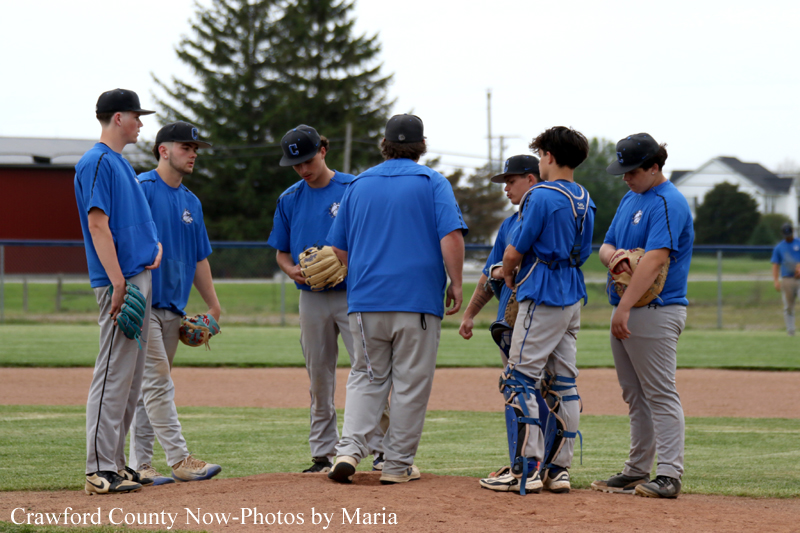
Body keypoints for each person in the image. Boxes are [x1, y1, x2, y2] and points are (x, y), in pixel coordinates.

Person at [326, 114, 467, 485]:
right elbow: (450, 236)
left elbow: (337, 249)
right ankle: (396, 464)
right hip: (417, 300)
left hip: (365, 301)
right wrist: (456, 282)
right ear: (421, 145)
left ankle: (348, 450)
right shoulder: (432, 182)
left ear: (384, 144)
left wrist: (363, 274)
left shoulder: (357, 184)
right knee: (409, 384)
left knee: (365, 378)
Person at [479, 126, 595, 495]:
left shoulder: (541, 195)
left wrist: (509, 272)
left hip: (542, 293)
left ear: (548, 156)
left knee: (518, 380)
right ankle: (558, 470)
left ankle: (525, 469)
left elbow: (514, 250)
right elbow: (583, 253)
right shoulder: (584, 197)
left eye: (542, 153)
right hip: (572, 293)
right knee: (564, 383)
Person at [267, 125, 386, 474]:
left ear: (322, 149)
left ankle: (381, 449)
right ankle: (322, 453)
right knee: (319, 376)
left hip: (354, 295)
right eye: (295, 164)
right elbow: (282, 253)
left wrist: (353, 266)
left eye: (307, 159)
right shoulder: (289, 198)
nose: (303, 168)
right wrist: (291, 271)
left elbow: (373, 239)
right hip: (311, 299)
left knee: (369, 369)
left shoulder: (354, 189)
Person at [593, 133, 694, 499]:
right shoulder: (630, 198)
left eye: (632, 170)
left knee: (659, 393)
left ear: (654, 167)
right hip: (628, 308)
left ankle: (668, 474)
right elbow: (605, 245)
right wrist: (615, 257)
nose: (626, 177)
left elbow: (654, 260)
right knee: (635, 395)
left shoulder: (669, 202)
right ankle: (637, 470)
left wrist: (623, 307)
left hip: (656, 309)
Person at [74, 89, 162, 495]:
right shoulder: (96, 162)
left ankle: (115, 462)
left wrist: (153, 249)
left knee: (128, 378)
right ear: (117, 118)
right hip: (119, 281)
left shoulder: (120, 164)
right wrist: (117, 280)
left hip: (136, 275)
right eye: (136, 116)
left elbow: (131, 223)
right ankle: (97, 468)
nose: (141, 123)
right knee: (112, 373)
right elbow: (97, 224)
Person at [128, 121, 223, 485]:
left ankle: (140, 465)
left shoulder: (191, 201)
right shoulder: (142, 189)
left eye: (196, 147)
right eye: (186, 146)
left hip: (174, 308)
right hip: (144, 303)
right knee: (159, 381)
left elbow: (200, 257)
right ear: (162, 150)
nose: (194, 153)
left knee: (147, 388)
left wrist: (213, 305)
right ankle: (180, 459)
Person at [459, 154, 542, 366]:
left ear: (531, 179)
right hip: (508, 320)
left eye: (511, 181)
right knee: (513, 386)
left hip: (540, 318)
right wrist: (469, 315)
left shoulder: (547, 219)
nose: (506, 188)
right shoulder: (508, 224)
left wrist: (502, 270)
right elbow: (488, 275)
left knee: (543, 388)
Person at [771, 223, 800, 336]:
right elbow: (775, 265)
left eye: (789, 234)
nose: (788, 236)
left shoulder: (799, 243)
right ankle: (790, 331)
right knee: (788, 306)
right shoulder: (779, 247)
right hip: (787, 279)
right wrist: (776, 281)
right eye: (786, 234)